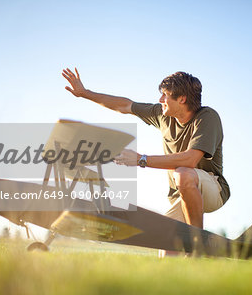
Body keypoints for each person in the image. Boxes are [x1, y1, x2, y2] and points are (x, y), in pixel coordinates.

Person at [62, 68, 230, 229]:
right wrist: (85, 93)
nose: (160, 100)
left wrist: (141, 159)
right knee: (166, 246)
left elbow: (190, 160)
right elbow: (125, 106)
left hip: (212, 189)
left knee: (183, 173)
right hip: (180, 194)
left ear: (182, 99)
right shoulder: (162, 115)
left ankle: (197, 240)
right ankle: (187, 247)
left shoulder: (207, 117)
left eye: (165, 95)